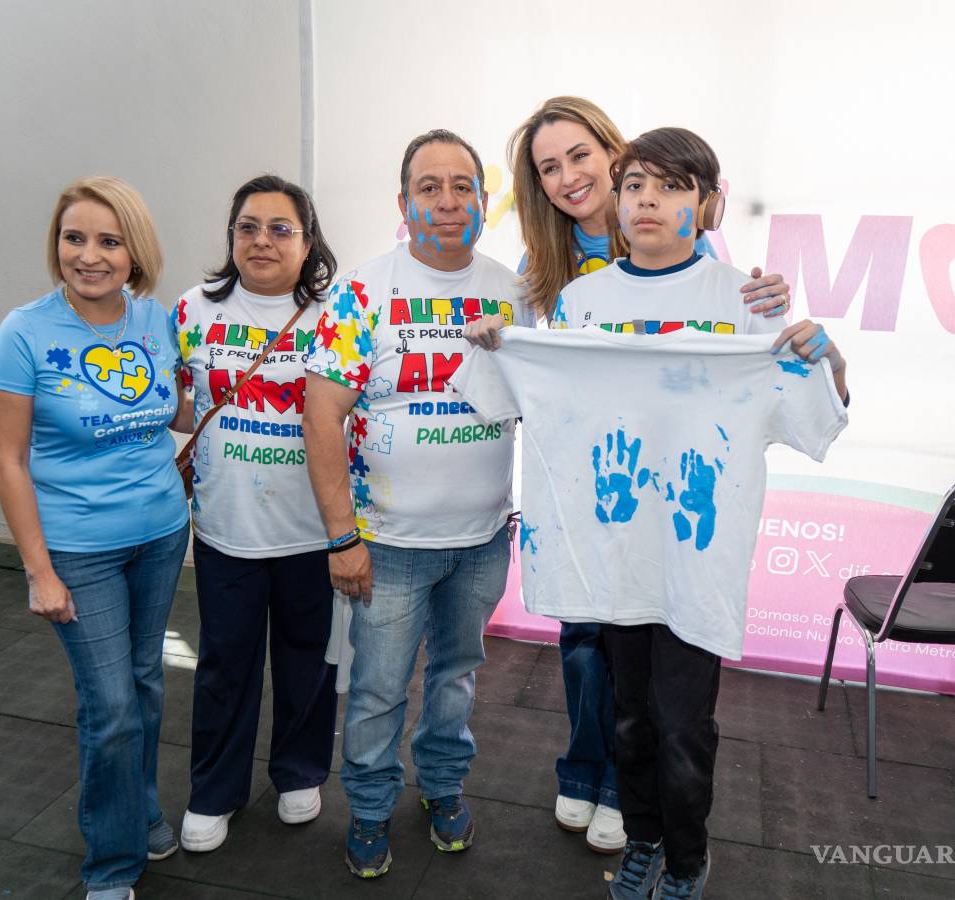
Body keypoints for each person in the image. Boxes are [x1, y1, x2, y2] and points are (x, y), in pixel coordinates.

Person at [459, 126, 849, 899]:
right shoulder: (583, 300)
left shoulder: (745, 299)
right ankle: (642, 841)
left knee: (683, 728)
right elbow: (528, 391)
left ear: (706, 203)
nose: (645, 199)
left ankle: (689, 857)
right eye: (634, 183)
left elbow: (816, 418)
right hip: (616, 550)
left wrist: (823, 353)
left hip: (693, 561)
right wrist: (495, 347)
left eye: (670, 186)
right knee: (629, 718)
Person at [301, 129, 531, 879]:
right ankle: (368, 807)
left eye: (461, 185)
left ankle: (441, 787)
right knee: (375, 688)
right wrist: (343, 537)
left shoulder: (514, 293)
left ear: (483, 202)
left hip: (483, 537)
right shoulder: (365, 289)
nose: (446, 200)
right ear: (403, 202)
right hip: (389, 542)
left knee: (457, 676)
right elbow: (321, 414)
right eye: (428, 187)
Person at [0, 176, 189, 900]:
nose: (90, 255)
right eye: (75, 238)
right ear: (57, 244)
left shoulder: (156, 321)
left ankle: (143, 810)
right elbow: (8, 459)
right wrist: (39, 570)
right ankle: (110, 863)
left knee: (142, 686)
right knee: (110, 707)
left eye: (109, 240)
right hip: (78, 548)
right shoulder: (25, 333)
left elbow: (176, 408)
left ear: (136, 251)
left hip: (162, 534)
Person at [169, 175, 340, 852]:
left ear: (308, 241)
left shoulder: (338, 313)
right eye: (247, 226)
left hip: (314, 528)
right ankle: (214, 791)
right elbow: (173, 399)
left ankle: (299, 773)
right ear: (231, 236)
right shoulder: (192, 309)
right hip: (227, 528)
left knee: (310, 661)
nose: (261, 240)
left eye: (280, 228)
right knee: (224, 664)